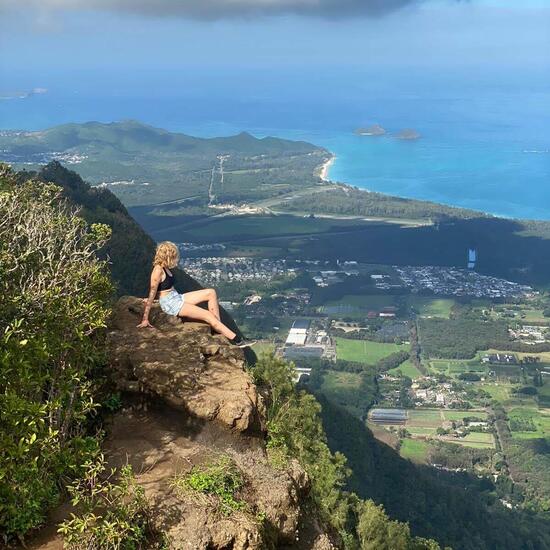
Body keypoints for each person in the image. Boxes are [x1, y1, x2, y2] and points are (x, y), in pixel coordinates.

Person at [137, 241, 255, 348]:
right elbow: (153, 291)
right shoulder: (158, 270)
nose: (176, 258)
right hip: (171, 303)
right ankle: (238, 340)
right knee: (207, 315)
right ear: (169, 255)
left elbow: (160, 289)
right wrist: (145, 318)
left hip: (175, 297)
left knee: (210, 292)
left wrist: (155, 299)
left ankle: (217, 328)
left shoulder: (165, 267)